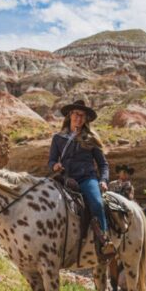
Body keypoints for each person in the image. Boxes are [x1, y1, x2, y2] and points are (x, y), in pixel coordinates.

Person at [48, 99, 115, 258]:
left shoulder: (91, 138)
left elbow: (103, 164)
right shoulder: (58, 138)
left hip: (86, 179)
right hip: (65, 179)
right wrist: (54, 166)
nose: (79, 118)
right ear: (70, 115)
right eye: (76, 114)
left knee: (97, 203)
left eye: (82, 116)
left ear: (85, 119)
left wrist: (103, 180)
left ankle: (104, 240)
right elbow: (51, 160)